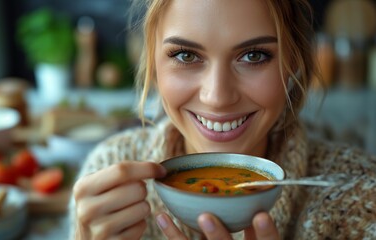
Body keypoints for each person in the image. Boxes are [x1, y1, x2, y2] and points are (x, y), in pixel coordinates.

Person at [69, 0, 376, 239]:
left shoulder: (359, 194)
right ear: (152, 60)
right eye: (186, 56)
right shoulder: (110, 176)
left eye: (254, 55)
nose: (217, 97)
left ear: (292, 62)